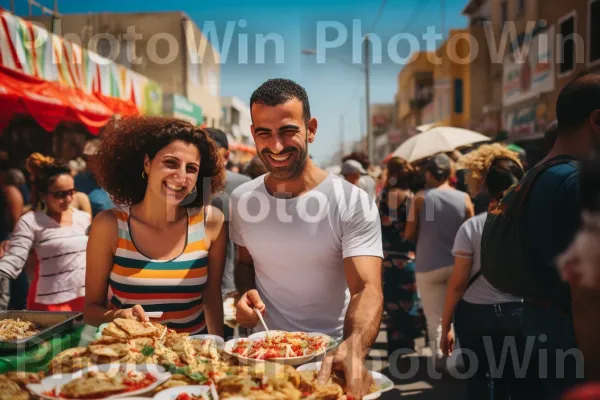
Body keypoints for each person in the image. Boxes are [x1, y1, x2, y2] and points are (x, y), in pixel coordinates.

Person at [231, 78, 383, 398]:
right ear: (253, 133)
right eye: (264, 133)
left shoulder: (351, 201)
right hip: (264, 359)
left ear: (310, 129)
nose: (275, 145)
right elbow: (245, 263)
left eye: (288, 131)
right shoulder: (243, 200)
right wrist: (244, 294)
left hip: (329, 362)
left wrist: (353, 349)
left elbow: (366, 287)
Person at [84, 117, 227, 336]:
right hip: (133, 362)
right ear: (147, 163)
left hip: (195, 362)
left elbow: (212, 297)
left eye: (191, 168)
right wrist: (116, 316)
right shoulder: (109, 225)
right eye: (170, 163)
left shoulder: (212, 222)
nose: (180, 176)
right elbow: (91, 310)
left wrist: (219, 351)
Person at [514, 72, 599, 398]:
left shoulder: (536, 174)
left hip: (538, 327)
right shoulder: (577, 181)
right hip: (574, 342)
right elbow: (587, 295)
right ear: (596, 119)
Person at [440, 144, 530, 399]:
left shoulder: (471, 228)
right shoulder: (531, 225)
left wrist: (446, 325)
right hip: (518, 313)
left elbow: (457, 283)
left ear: (486, 189)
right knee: (510, 380)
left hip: (475, 315)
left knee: (478, 379)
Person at [404, 153, 474, 369]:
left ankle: (440, 361)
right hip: (458, 264)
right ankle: (457, 359)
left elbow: (408, 233)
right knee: (457, 314)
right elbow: (471, 232)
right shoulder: (463, 198)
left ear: (429, 173)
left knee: (434, 317)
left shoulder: (420, 198)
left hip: (427, 265)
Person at [0, 153, 90, 311]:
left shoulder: (83, 218)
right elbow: (15, 259)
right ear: (43, 195)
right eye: (60, 194)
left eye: (71, 192)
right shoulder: (30, 221)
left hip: (85, 299)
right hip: (50, 304)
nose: (68, 199)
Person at [205, 127, 251, 339]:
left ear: (226, 156)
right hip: (204, 281)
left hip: (233, 278)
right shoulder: (187, 185)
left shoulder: (243, 186)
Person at [378, 157, 425, 353]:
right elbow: (411, 232)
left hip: (387, 259)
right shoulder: (411, 198)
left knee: (391, 304)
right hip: (407, 259)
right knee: (407, 303)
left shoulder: (382, 197)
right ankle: (407, 346)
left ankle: (394, 346)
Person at [74, 139, 114, 218]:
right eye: (87, 158)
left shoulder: (118, 180)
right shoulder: (79, 181)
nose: (89, 162)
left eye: (94, 158)